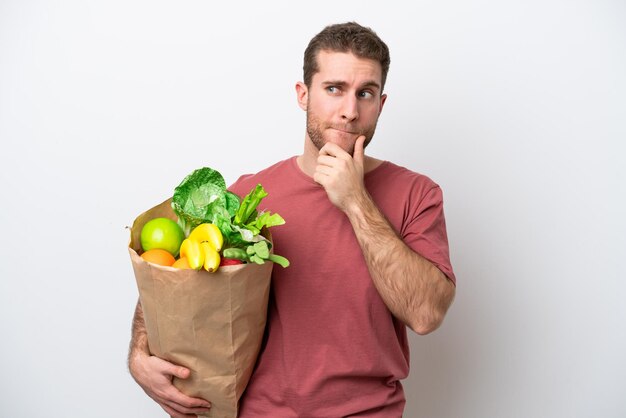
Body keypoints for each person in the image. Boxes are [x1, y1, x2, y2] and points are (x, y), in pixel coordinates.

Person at [128, 21, 456, 417]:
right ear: (303, 95)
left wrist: (355, 201)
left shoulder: (417, 194)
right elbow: (173, 274)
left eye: (364, 93)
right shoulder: (248, 197)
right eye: (334, 89)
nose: (349, 112)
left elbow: (425, 314)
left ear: (380, 104)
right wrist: (139, 354)